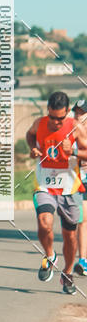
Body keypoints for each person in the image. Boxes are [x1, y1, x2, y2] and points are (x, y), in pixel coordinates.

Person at [26, 91, 87, 294]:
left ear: (67, 112)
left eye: (60, 118)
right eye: (52, 117)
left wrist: (75, 152)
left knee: (70, 237)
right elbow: (30, 135)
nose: (55, 122)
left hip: (69, 188)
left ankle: (67, 274)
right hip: (44, 184)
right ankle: (50, 255)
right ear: (48, 112)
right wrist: (33, 149)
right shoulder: (40, 123)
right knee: (44, 223)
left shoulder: (75, 127)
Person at [73, 99, 87, 276]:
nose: (78, 115)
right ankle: (83, 260)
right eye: (76, 112)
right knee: (82, 220)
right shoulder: (70, 131)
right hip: (80, 180)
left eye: (81, 112)